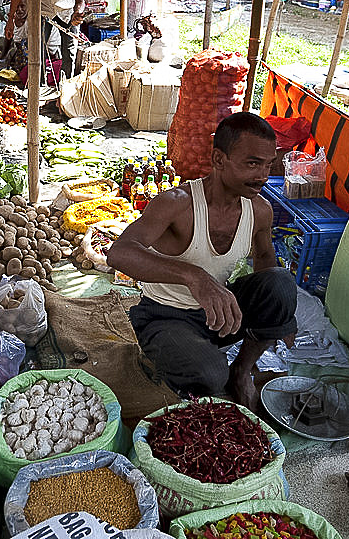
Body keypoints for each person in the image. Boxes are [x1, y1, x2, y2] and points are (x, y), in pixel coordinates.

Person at [107, 113, 297, 410]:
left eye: (267, 164)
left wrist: (276, 316)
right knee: (210, 375)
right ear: (219, 160)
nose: (263, 175)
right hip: (165, 317)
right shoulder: (177, 203)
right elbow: (120, 253)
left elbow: (264, 259)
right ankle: (202, 363)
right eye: (251, 163)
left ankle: (242, 370)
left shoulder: (259, 210)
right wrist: (195, 277)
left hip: (219, 316)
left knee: (282, 283)